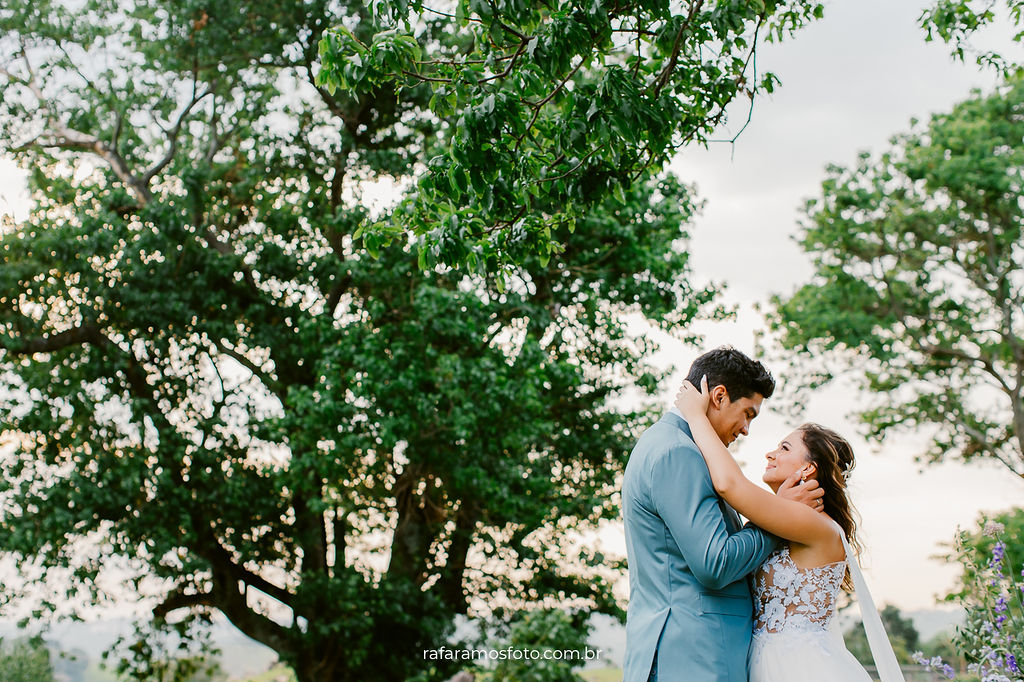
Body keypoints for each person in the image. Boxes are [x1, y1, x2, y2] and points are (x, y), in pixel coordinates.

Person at [674, 376, 906, 682]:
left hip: (800, 669)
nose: (770, 454)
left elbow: (730, 484)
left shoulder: (815, 523)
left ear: (807, 468)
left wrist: (694, 416)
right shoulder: (785, 524)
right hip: (766, 665)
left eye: (784, 448)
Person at [621, 347, 824, 682]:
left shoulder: (670, 444)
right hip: (694, 657)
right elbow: (714, 564)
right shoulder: (678, 454)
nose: (745, 429)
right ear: (718, 396)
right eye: (747, 413)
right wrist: (779, 520)